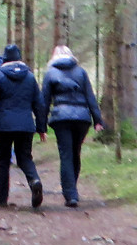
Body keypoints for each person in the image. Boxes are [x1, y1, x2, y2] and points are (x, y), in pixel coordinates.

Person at [0, 43, 46, 209]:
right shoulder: (30, 77)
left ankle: (2, 197)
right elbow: (39, 104)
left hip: (5, 125)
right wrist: (41, 128)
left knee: (3, 160)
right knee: (25, 157)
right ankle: (34, 180)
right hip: (26, 124)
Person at [41, 44, 104, 207]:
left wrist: (41, 126)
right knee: (76, 152)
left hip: (61, 118)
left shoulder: (50, 73)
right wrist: (98, 120)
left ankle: (70, 194)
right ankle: (72, 189)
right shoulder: (81, 72)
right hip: (82, 118)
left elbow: (45, 102)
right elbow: (90, 97)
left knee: (66, 154)